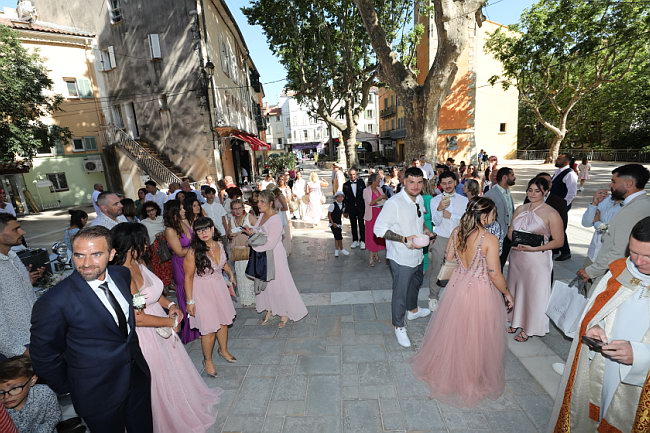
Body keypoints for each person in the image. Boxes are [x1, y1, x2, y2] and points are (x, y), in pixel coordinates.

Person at [30, 226, 153, 433]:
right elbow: (43, 355)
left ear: (112, 254)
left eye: (96, 254)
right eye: (79, 255)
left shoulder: (121, 275)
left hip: (136, 379)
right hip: (96, 394)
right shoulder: (54, 301)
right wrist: (72, 386)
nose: (86, 263)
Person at [110, 223, 221, 433]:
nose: (147, 245)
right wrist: (170, 323)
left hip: (160, 320)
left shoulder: (139, 262)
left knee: (173, 371)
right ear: (132, 245)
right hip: (147, 334)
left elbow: (152, 293)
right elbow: (138, 318)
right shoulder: (124, 274)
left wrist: (170, 305)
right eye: (143, 242)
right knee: (159, 377)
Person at [548, 217, 650, 433]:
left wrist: (641, 356)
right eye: (633, 252)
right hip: (605, 368)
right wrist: (596, 326)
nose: (638, 262)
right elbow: (599, 311)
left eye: (647, 256)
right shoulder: (621, 271)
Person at [411, 197, 513, 407]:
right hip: (480, 290)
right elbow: (494, 273)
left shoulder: (457, 231)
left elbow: (449, 257)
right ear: (484, 215)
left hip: (457, 286)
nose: (494, 218)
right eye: (493, 214)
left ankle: (451, 371)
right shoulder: (489, 239)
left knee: (456, 332)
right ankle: (471, 377)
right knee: (478, 334)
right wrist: (507, 292)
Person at [374, 167, 433, 348]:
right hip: (401, 257)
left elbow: (419, 221)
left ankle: (413, 310)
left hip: (418, 254)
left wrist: (425, 230)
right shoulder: (394, 203)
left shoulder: (420, 199)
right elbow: (379, 230)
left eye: (419, 182)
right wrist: (404, 239)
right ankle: (399, 326)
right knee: (400, 293)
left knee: (415, 284)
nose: (416, 186)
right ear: (404, 182)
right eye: (411, 182)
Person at [506, 177, 564, 342]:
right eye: (530, 190)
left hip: (537, 260)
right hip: (517, 258)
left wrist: (535, 248)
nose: (532, 194)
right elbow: (510, 230)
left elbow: (559, 241)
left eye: (537, 191)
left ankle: (529, 328)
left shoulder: (551, 213)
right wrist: (514, 240)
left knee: (533, 294)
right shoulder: (520, 209)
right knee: (515, 290)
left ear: (545, 192)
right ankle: (515, 320)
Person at [242, 191, 308, 328]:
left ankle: (285, 312)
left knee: (280, 284)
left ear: (270, 203)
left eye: (262, 202)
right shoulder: (262, 215)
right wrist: (251, 231)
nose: (259, 204)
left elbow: (271, 243)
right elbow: (259, 231)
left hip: (275, 255)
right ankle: (270, 309)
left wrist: (254, 246)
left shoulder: (276, 219)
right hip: (263, 254)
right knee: (267, 284)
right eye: (258, 201)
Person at [577, 164, 650, 287]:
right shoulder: (642, 204)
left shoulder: (631, 210)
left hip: (613, 270)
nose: (610, 185)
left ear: (629, 184)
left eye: (614, 181)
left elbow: (618, 250)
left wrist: (591, 271)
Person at [0, 214, 43, 359]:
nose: (22, 232)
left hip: (33, 336)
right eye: (15, 229)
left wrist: (27, 281)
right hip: (17, 349)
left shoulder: (12, 256)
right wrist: (20, 351)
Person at [427, 171, 469, 312]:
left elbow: (466, 221)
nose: (447, 185)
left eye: (450, 182)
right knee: (437, 268)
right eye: (444, 183)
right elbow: (436, 222)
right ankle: (433, 297)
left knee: (459, 268)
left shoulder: (464, 200)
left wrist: (451, 216)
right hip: (442, 237)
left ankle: (454, 296)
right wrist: (439, 209)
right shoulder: (434, 200)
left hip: (460, 238)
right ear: (440, 185)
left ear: (455, 182)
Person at [163, 200, 200, 344]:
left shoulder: (183, 223)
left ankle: (199, 324)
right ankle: (190, 331)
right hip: (180, 263)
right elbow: (178, 251)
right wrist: (198, 248)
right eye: (181, 209)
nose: (184, 210)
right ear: (174, 212)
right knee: (185, 294)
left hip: (192, 260)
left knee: (195, 292)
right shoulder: (170, 230)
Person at [0, 355, 60, 433]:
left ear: (32, 380)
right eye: (1, 392)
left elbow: (53, 418)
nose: (6, 397)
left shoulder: (45, 393)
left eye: (14, 388)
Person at [484, 167, 516, 268]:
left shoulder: (507, 192)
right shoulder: (490, 195)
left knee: (501, 264)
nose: (514, 177)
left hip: (507, 235)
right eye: (512, 175)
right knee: (493, 265)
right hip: (496, 236)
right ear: (505, 177)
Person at [228, 199, 257, 307]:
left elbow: (260, 230)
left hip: (250, 250)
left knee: (251, 275)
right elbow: (229, 234)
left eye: (239, 208)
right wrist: (231, 235)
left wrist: (249, 231)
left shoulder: (249, 217)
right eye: (234, 209)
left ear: (243, 208)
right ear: (232, 210)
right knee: (241, 274)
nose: (237, 211)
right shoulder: (231, 219)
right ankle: (246, 299)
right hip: (238, 252)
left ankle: (255, 298)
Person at [581, 189, 623, 263]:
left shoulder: (630, 206)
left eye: (614, 183)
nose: (610, 185)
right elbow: (586, 223)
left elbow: (614, 231)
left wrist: (597, 223)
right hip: (593, 255)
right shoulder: (606, 200)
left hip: (611, 259)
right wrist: (594, 204)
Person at [551, 153, 579, 261]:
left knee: (559, 228)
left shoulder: (570, 174)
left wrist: (563, 206)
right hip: (555, 204)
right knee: (552, 226)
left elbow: (571, 193)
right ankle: (555, 248)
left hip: (561, 206)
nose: (556, 160)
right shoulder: (558, 171)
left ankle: (565, 251)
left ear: (566, 161)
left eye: (559, 159)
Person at [362, 173, 386, 266]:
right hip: (371, 216)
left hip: (380, 215)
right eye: (378, 179)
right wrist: (380, 198)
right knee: (371, 236)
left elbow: (385, 199)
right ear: (373, 180)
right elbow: (370, 203)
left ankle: (376, 254)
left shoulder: (380, 189)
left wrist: (384, 197)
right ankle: (371, 256)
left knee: (378, 235)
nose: (380, 181)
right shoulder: (366, 190)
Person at [343, 168, 366, 250]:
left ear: (356, 175)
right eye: (351, 174)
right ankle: (355, 240)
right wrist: (345, 210)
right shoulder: (345, 185)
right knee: (353, 225)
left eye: (354, 174)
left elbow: (365, 195)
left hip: (361, 207)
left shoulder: (361, 182)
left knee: (361, 224)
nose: (352, 176)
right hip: (351, 208)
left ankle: (363, 241)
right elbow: (345, 199)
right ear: (348, 175)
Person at [328, 191, 350, 258]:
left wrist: (346, 215)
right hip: (333, 223)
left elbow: (342, 213)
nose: (340, 198)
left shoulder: (343, 205)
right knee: (339, 236)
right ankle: (342, 249)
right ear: (336, 198)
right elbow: (329, 215)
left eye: (342, 197)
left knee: (337, 237)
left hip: (339, 223)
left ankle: (336, 250)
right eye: (338, 197)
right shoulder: (332, 205)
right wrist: (332, 223)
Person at [273, 187, 292, 256]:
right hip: (278, 215)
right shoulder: (276, 197)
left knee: (283, 233)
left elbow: (286, 208)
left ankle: (285, 250)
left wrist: (278, 209)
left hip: (281, 216)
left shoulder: (280, 196)